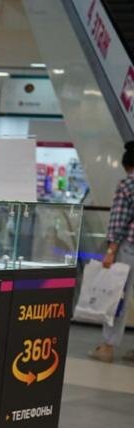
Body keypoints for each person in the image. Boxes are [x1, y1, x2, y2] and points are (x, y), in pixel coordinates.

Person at [88, 141, 134, 364]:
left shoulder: (127, 184)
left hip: (130, 247)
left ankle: (107, 347)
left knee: (118, 295)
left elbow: (119, 220)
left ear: (128, 166)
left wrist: (111, 250)